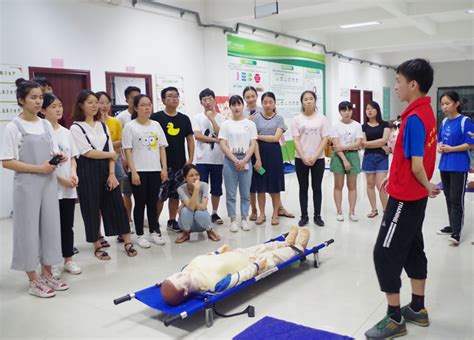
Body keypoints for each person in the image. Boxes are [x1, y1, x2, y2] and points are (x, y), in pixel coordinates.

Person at [365, 59, 440, 340]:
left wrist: (426, 184)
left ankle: (395, 317)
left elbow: (418, 165)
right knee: (412, 247)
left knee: (384, 252)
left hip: (406, 198)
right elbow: (407, 159)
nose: (395, 86)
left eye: (398, 81)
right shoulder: (426, 112)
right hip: (411, 192)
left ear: (413, 85)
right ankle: (417, 309)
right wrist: (393, 178)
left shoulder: (414, 118)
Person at [1, 79, 68, 298]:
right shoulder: (13, 127)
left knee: (50, 227)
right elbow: (7, 161)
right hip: (27, 184)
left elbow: (52, 152)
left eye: (40, 97)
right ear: (21, 100)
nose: (38, 101)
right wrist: (38, 168)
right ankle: (33, 280)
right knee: (28, 230)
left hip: (48, 182)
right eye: (33, 97)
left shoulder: (45, 124)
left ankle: (47, 272)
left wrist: (59, 157)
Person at [160, 225, 309, 306]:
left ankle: (285, 243)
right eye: (178, 279)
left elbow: (206, 258)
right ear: (186, 292)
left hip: (237, 253)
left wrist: (218, 251)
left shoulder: (186, 269)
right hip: (249, 264)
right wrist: (256, 267)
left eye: (174, 275)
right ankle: (297, 248)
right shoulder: (213, 286)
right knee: (273, 257)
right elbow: (239, 277)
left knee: (263, 247)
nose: (178, 274)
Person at [70, 90, 137, 260]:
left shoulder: (102, 125)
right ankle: (97, 245)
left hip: (108, 169)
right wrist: (111, 155)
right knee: (91, 208)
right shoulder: (76, 127)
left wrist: (112, 174)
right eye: (90, 102)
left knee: (117, 205)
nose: (95, 106)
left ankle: (127, 240)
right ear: (81, 105)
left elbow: (109, 150)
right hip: (87, 172)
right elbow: (87, 152)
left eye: (96, 102)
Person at [42, 93, 81, 275]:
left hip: (68, 188)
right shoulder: (42, 133)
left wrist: (73, 174)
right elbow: (45, 163)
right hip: (51, 187)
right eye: (53, 106)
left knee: (67, 225)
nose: (58, 109)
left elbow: (73, 157)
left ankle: (68, 259)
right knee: (51, 227)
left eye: (60, 105)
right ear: (43, 110)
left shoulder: (66, 132)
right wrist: (62, 179)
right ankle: (53, 261)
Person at [122, 94, 168, 248]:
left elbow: (162, 148)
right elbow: (128, 151)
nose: (147, 107)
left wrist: (163, 169)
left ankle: (154, 231)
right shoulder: (130, 126)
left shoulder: (156, 125)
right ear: (135, 108)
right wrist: (133, 172)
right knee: (140, 203)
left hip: (155, 170)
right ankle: (140, 234)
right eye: (143, 105)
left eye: (149, 104)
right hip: (139, 171)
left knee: (153, 203)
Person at [151, 87, 195, 233]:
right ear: (163, 100)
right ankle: (155, 223)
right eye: (170, 96)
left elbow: (190, 139)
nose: (174, 98)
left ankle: (171, 220)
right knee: (160, 196)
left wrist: (190, 159)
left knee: (175, 194)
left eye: (176, 96)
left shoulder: (184, 118)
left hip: (180, 164)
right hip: (161, 165)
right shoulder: (156, 118)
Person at [436, 91, 474, 245]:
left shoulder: (465, 121)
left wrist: (452, 149)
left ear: (457, 104)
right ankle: (452, 225)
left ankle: (457, 232)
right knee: (448, 197)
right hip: (445, 164)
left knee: (456, 199)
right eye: (442, 104)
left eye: (448, 103)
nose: (444, 107)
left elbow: (471, 144)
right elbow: (440, 140)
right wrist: (440, 147)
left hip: (459, 164)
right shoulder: (444, 122)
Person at [219, 95, 257, 232]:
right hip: (230, 161)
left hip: (246, 159)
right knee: (230, 192)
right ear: (230, 107)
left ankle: (245, 218)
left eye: (238, 104)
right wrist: (235, 160)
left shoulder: (250, 124)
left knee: (245, 192)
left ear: (243, 105)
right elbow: (222, 144)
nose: (236, 107)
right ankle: (233, 219)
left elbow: (253, 144)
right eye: (233, 105)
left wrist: (245, 160)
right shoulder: (225, 124)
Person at [251, 92, 290, 226]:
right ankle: (262, 214)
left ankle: (275, 214)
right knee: (260, 186)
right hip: (260, 156)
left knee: (275, 185)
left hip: (274, 156)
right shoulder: (256, 119)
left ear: (274, 103)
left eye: (270, 102)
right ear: (261, 104)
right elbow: (253, 140)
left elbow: (275, 138)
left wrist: (258, 136)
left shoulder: (279, 118)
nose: (268, 105)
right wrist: (257, 159)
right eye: (265, 102)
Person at [291, 90, 329, 227]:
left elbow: (325, 138)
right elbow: (296, 140)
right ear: (302, 102)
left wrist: (316, 155)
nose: (308, 101)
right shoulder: (297, 119)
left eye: (311, 98)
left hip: (318, 159)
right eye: (305, 99)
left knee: (317, 187)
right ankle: (304, 216)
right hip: (300, 159)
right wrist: (303, 156)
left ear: (315, 100)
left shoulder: (322, 118)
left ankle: (317, 216)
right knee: (303, 187)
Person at [192, 88, 225, 225]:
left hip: (218, 159)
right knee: (201, 187)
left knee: (216, 188)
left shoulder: (222, 118)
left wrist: (212, 119)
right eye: (204, 100)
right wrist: (215, 140)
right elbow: (198, 136)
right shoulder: (197, 118)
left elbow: (221, 134)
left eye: (210, 99)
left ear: (214, 100)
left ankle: (215, 212)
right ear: (201, 102)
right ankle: (202, 211)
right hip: (202, 159)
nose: (207, 102)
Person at [330, 101, 363, 222]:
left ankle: (352, 211)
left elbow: (358, 143)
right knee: (338, 185)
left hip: (353, 156)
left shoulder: (357, 125)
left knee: (352, 186)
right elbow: (335, 145)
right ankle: (339, 211)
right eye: (344, 110)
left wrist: (343, 148)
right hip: (339, 157)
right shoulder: (335, 126)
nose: (347, 112)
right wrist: (344, 160)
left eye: (349, 110)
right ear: (340, 112)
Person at [116, 86, 142, 234]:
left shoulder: (144, 117)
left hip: (142, 162)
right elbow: (121, 141)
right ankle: (128, 220)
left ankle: (139, 220)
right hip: (126, 161)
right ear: (126, 100)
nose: (136, 100)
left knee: (141, 194)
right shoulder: (121, 117)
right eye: (133, 98)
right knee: (127, 193)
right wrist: (123, 159)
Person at [175, 164, 221, 243]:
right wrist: (196, 189)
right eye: (191, 176)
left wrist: (186, 204)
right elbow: (192, 207)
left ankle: (210, 231)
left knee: (199, 212)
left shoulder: (204, 185)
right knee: (186, 211)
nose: (195, 178)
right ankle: (186, 233)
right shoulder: (181, 189)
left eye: (197, 175)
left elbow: (203, 207)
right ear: (185, 178)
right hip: (187, 224)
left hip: (201, 224)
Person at [361, 101, 390, 218]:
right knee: (369, 184)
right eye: (367, 108)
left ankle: (386, 210)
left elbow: (384, 140)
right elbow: (363, 144)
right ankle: (374, 209)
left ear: (377, 110)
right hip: (368, 157)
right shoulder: (363, 127)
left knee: (381, 185)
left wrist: (370, 143)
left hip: (381, 158)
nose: (369, 111)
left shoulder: (385, 124)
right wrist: (380, 144)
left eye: (372, 108)